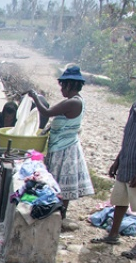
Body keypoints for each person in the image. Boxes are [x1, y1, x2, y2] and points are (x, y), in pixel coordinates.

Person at [27, 65, 94, 202]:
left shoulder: (73, 102)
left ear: (69, 85)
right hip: (62, 145)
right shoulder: (75, 100)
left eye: (63, 86)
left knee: (59, 185)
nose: (61, 89)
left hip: (64, 148)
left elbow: (47, 112)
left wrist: (35, 96)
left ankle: (59, 212)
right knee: (58, 185)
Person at [90, 97, 136, 251]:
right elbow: (128, 139)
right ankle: (113, 235)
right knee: (120, 201)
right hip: (126, 161)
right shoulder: (134, 106)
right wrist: (117, 160)